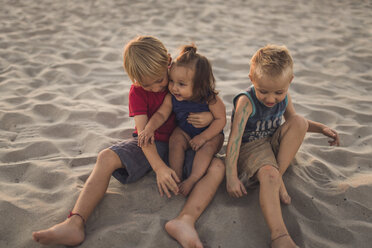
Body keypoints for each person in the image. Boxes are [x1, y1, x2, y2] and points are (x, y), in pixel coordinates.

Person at [32, 35, 221, 247]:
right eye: (147, 85)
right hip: (153, 145)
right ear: (136, 81)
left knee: (216, 167)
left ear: (168, 62)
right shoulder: (138, 93)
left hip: (184, 143)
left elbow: (207, 99)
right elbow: (144, 135)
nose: (157, 88)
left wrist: (208, 117)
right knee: (105, 157)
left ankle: (185, 221)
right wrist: (159, 168)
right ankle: (75, 222)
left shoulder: (176, 78)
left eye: (160, 80)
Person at [225, 44, 340, 248]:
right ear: (252, 78)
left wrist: (321, 128)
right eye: (263, 91)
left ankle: (277, 176)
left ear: (290, 82)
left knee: (300, 122)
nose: (271, 98)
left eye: (278, 92)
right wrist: (232, 177)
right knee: (269, 173)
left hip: (272, 142)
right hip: (250, 147)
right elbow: (234, 140)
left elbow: (294, 121)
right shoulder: (246, 102)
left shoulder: (284, 96)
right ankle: (279, 236)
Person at [138, 44, 226, 197]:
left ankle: (192, 179)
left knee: (207, 148)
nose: (174, 88)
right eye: (171, 81)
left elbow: (221, 120)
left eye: (181, 84)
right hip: (186, 131)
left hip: (210, 135)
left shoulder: (210, 99)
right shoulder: (171, 97)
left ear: (200, 85)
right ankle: (176, 175)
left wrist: (203, 137)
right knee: (176, 139)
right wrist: (149, 128)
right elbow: (161, 115)